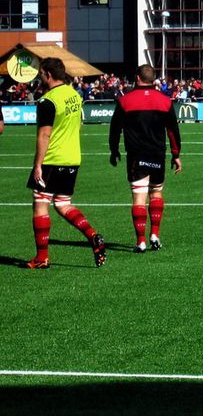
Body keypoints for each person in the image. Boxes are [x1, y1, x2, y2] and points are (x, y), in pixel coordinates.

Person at [24, 57, 106, 269]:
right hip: (73, 157)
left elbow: (44, 135)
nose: (40, 77)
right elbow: (78, 124)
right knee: (62, 204)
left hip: (53, 158)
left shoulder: (47, 100)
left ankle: (42, 258)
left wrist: (37, 165)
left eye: (41, 74)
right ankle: (93, 236)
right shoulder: (74, 95)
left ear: (48, 74)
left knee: (41, 205)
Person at [109, 64, 183, 252]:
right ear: (153, 79)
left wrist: (114, 150)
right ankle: (155, 235)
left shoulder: (125, 101)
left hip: (137, 155)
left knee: (139, 198)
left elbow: (115, 129)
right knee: (156, 193)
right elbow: (173, 131)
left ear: (137, 78)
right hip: (158, 154)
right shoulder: (165, 101)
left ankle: (140, 241)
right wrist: (176, 155)